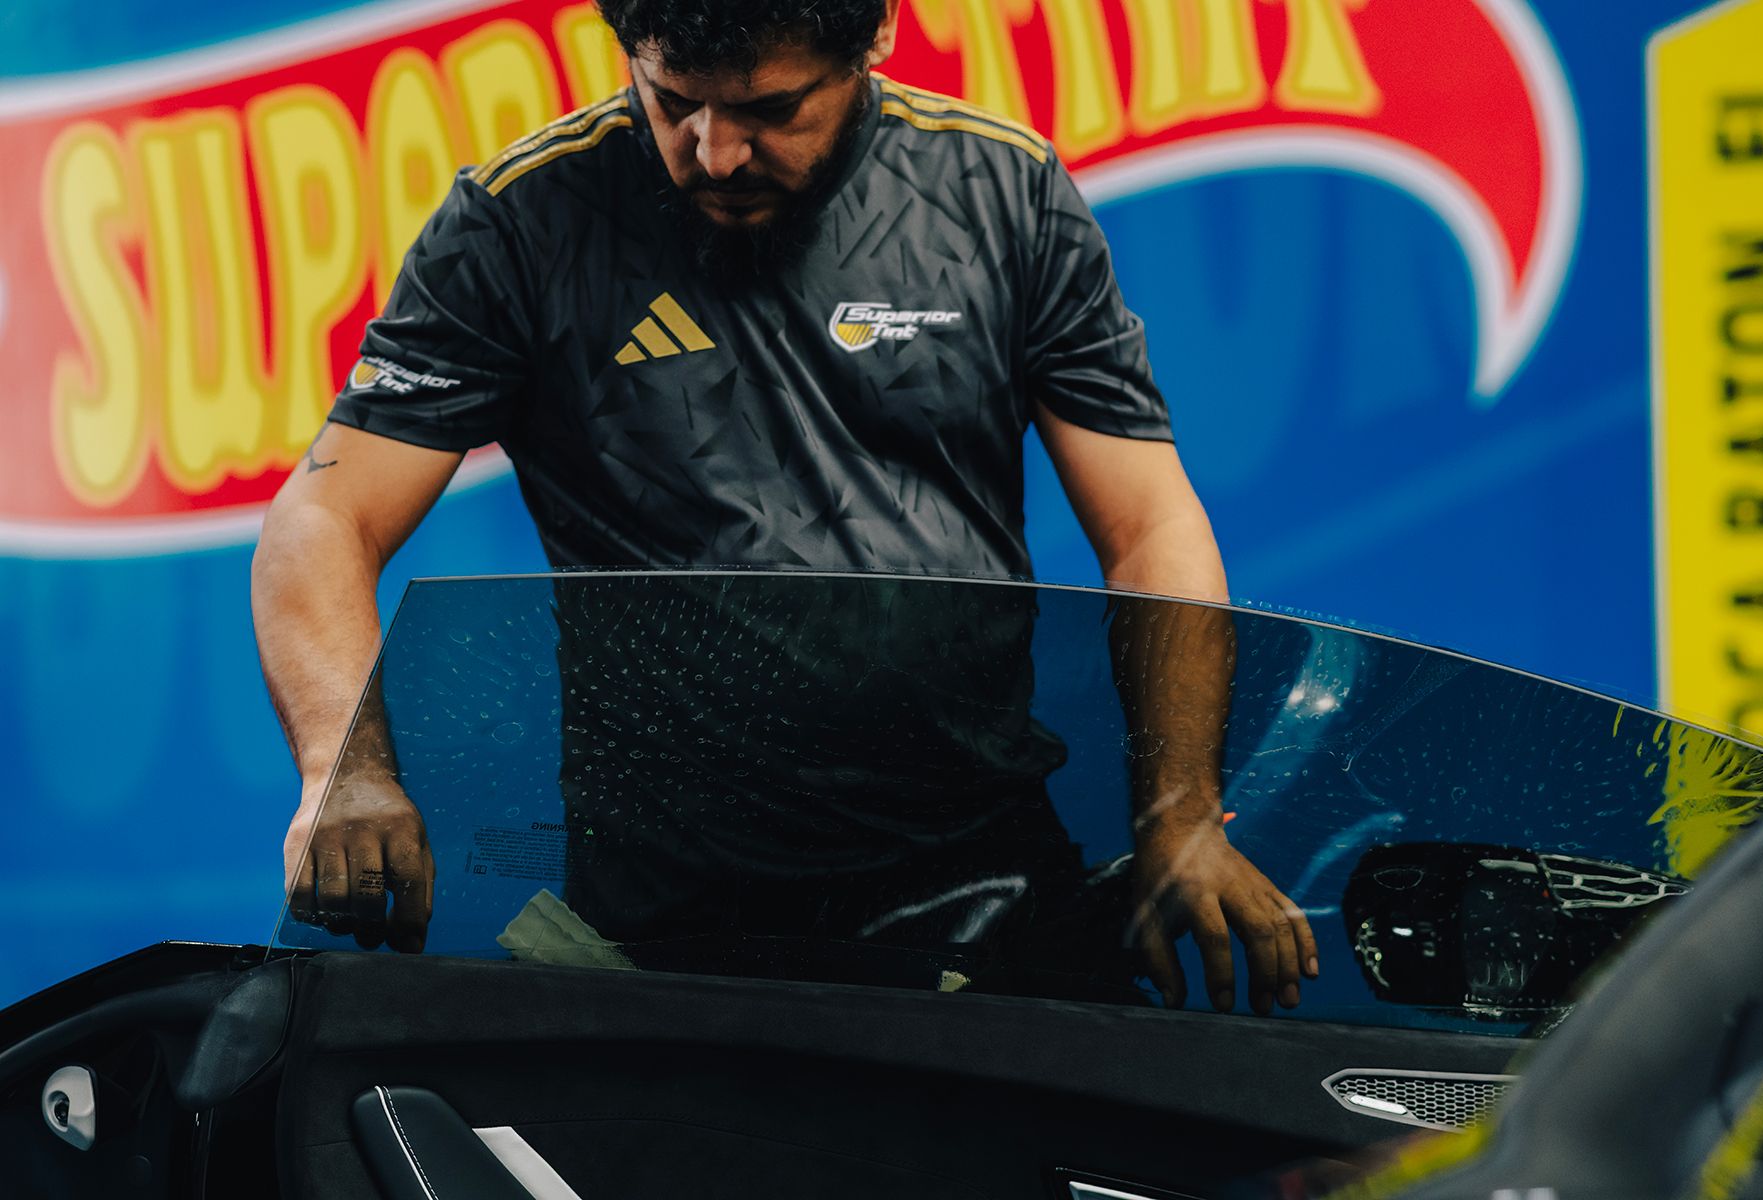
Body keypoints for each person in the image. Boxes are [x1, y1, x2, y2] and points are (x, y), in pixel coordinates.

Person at [251, 0, 1318, 1015]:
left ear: (877, 38)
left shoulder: (1004, 191)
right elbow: (324, 519)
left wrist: (1178, 814)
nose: (715, 151)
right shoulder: (520, 222)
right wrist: (339, 774)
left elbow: (1151, 527)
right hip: (659, 922)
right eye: (674, 101)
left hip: (986, 886)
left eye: (770, 110)